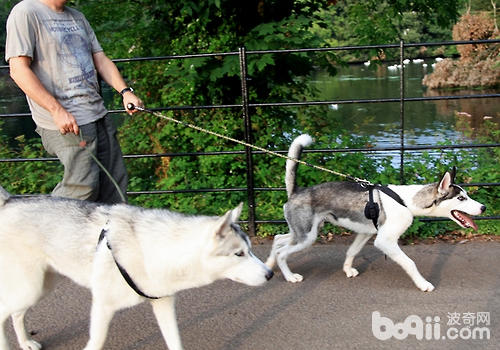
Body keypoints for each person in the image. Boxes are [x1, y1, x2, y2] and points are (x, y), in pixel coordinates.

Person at [5, 0, 143, 203]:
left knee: (114, 187)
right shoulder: (26, 12)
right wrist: (56, 110)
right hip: (65, 120)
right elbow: (18, 70)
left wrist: (125, 91)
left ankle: (105, 234)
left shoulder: (77, 17)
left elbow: (100, 58)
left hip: (97, 113)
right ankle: (42, 231)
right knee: (81, 188)